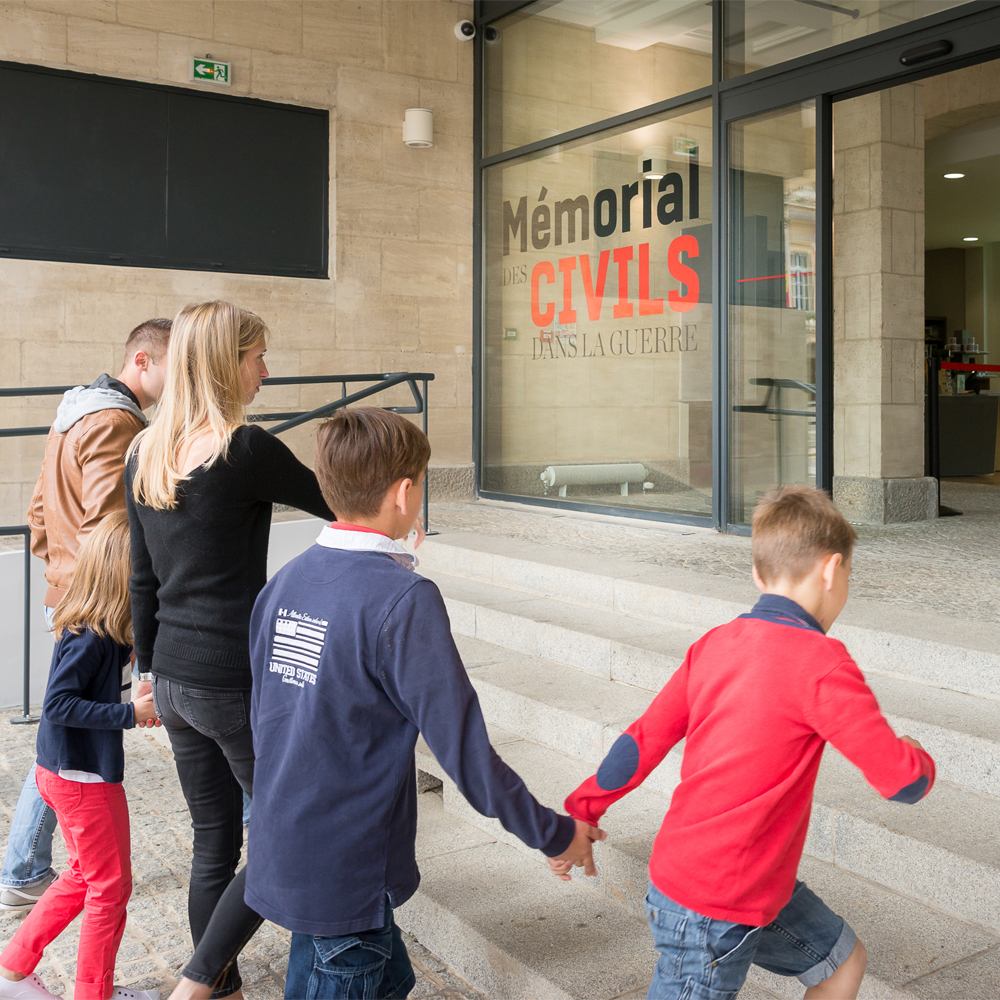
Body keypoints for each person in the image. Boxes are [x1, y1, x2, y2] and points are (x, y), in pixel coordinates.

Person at [164, 407, 604, 1000]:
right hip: (347, 880)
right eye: (420, 485)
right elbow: (466, 754)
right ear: (404, 492)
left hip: (300, 858)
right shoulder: (405, 600)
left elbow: (267, 723)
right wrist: (553, 833)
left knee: (391, 978)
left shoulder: (283, 584)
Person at [556, 485, 936, 1000]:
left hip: (724, 879)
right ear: (832, 570)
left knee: (840, 961)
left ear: (758, 575)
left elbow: (640, 742)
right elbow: (905, 783)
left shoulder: (713, 645)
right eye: (849, 573)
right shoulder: (823, 664)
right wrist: (915, 752)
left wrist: (583, 809)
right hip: (714, 904)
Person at [125, 300, 335, 1000]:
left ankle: (225, 987)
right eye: (257, 358)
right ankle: (194, 985)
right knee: (285, 830)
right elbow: (338, 502)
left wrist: (144, 675)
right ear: (225, 363)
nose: (266, 373)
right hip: (231, 682)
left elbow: (142, 579)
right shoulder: (244, 450)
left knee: (213, 843)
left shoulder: (144, 452)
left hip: (178, 682)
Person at [0, 319, 171, 914]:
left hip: (78, 596)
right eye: (174, 366)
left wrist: (61, 577)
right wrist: (96, 586)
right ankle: (22, 868)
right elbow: (113, 524)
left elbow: (38, 514)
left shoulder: (72, 412)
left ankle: (23, 866)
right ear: (143, 361)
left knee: (61, 735)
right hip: (100, 601)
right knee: (66, 728)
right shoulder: (116, 422)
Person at [0, 512, 160, 1000]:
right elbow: (59, 704)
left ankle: (13, 968)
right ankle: (96, 994)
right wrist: (129, 712)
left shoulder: (101, 631)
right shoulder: (91, 636)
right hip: (82, 782)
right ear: (124, 574)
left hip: (66, 775)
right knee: (110, 890)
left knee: (82, 875)